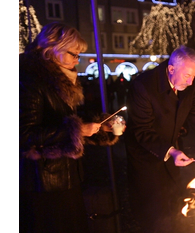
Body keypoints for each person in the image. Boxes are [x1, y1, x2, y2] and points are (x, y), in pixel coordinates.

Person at [19, 22, 120, 233]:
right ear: (51, 49)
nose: (77, 59)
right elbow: (24, 134)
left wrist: (100, 127)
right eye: (73, 54)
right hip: (43, 182)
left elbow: (67, 117)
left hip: (67, 175)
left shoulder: (62, 78)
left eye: (79, 55)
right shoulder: (31, 81)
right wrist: (77, 130)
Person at [124, 45, 195, 233]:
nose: (190, 83)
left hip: (172, 156)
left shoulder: (188, 84)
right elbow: (141, 130)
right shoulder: (144, 86)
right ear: (171, 69)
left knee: (172, 208)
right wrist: (171, 151)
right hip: (147, 159)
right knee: (155, 216)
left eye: (193, 77)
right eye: (187, 76)